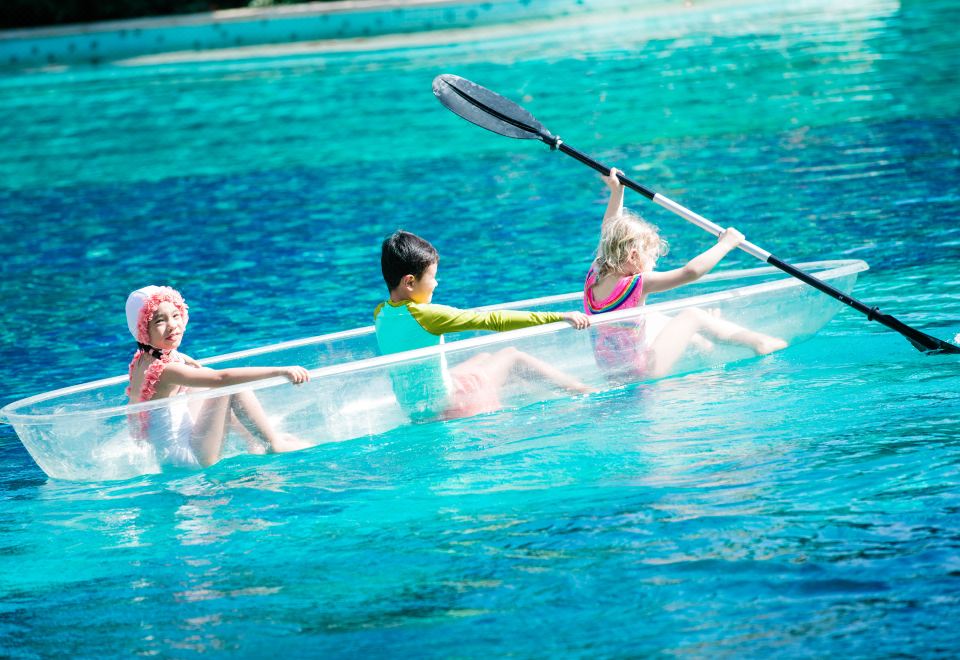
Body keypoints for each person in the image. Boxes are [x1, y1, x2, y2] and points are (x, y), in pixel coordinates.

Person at [585, 168, 787, 378]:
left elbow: (608, 231)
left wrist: (617, 192)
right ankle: (760, 342)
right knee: (693, 316)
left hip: (614, 373)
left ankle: (703, 339)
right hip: (644, 371)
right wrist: (727, 244)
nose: (653, 263)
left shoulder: (595, 272)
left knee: (653, 317)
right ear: (634, 256)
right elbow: (691, 272)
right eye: (651, 257)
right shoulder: (638, 283)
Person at [374, 230, 593, 421]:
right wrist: (559, 316)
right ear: (409, 282)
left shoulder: (380, 313)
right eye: (432, 277)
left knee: (483, 358)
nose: (436, 283)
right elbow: (494, 320)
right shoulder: (426, 315)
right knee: (512, 356)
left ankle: (539, 391)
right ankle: (583, 391)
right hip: (448, 406)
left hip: (416, 409)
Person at [126, 285, 311, 468]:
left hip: (168, 456)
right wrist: (281, 371)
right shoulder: (167, 371)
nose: (173, 325)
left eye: (175, 315)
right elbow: (221, 378)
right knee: (230, 385)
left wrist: (182, 358)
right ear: (143, 331)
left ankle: (253, 440)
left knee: (201, 378)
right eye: (160, 321)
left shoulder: (144, 359)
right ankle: (274, 444)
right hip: (189, 457)